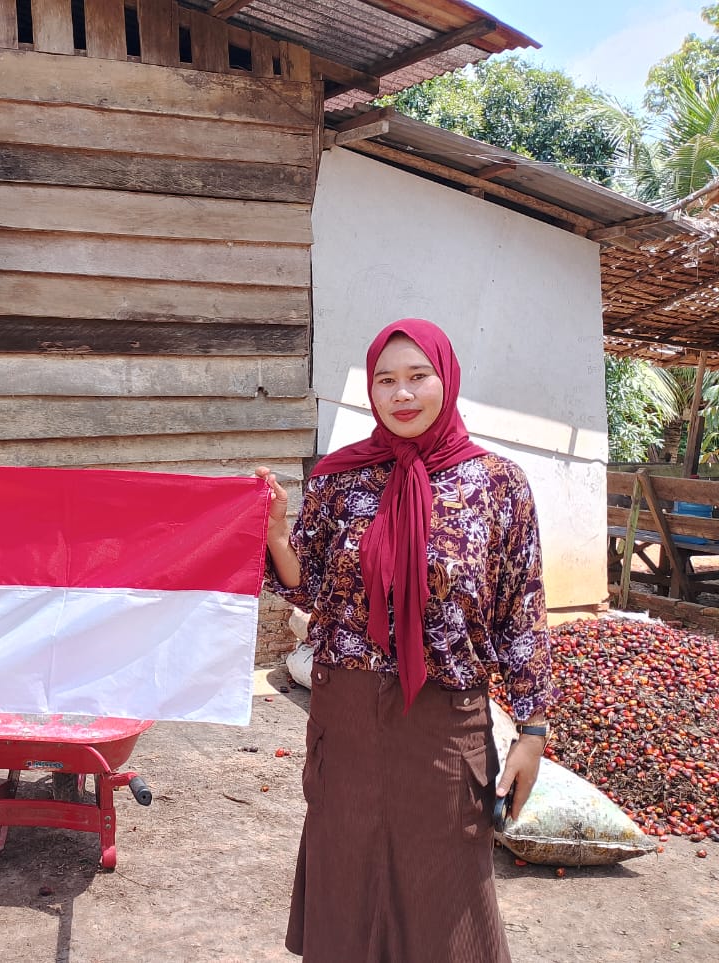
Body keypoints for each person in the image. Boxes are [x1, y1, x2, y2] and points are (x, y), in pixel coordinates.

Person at [257, 318, 554, 963]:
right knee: (347, 866)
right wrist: (279, 533)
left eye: (418, 376)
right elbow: (310, 588)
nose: (402, 394)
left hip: (444, 719)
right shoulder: (341, 477)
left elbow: (520, 611)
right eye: (386, 380)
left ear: (445, 378)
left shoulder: (497, 486)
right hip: (348, 714)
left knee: (445, 878)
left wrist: (531, 731)